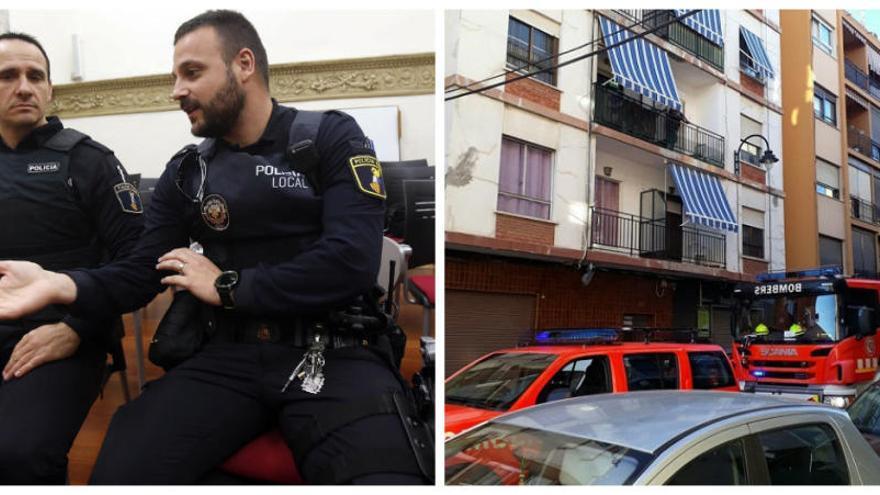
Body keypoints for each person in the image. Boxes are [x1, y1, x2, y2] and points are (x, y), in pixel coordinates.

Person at [0, 11, 429, 484]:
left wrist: (227, 285)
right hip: (227, 357)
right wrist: (62, 284)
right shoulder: (186, 169)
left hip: (334, 352)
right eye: (175, 77)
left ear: (243, 64)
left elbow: (350, 261)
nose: (176, 90)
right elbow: (143, 270)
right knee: (120, 473)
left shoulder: (330, 136)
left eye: (192, 72)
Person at [0, 32, 144, 483]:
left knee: (19, 455)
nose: (24, 86)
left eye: (35, 76)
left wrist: (77, 329)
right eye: (7, 75)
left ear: (49, 89)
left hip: (60, 333)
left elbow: (138, 260)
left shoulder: (90, 161)